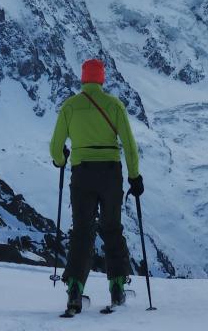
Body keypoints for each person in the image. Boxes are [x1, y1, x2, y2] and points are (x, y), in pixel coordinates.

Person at [49, 58, 144, 314]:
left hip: (81, 174)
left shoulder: (70, 106)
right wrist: (135, 177)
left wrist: (62, 159)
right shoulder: (115, 105)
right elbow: (130, 146)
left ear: (83, 78)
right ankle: (116, 287)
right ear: (102, 79)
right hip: (111, 174)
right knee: (111, 228)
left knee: (82, 231)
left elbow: (55, 148)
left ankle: (75, 291)